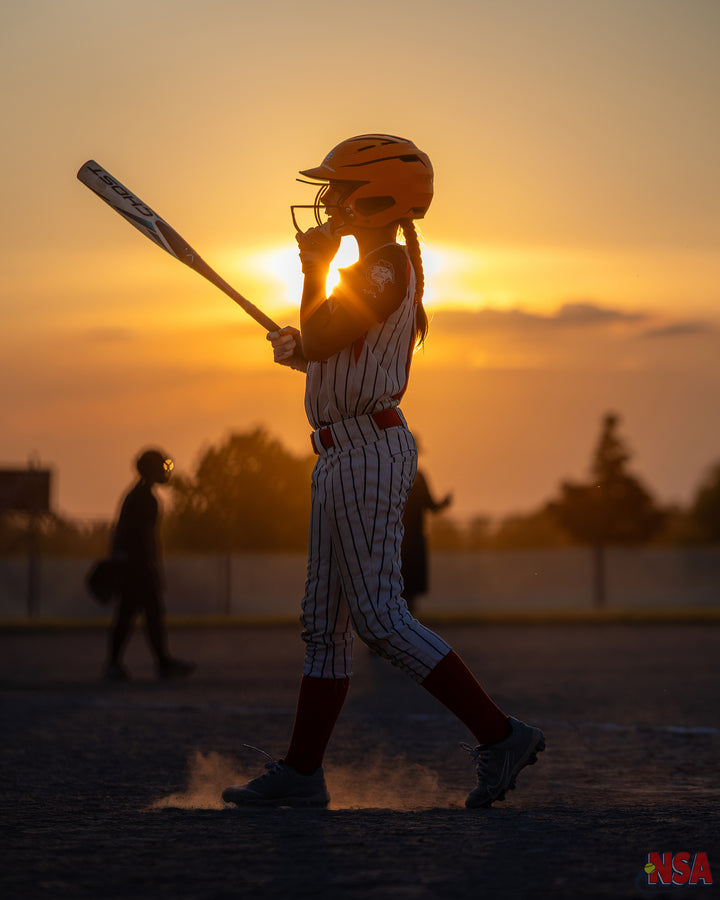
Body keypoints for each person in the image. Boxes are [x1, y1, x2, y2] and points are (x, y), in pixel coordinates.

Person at [222, 135, 544, 809]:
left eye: (340, 189)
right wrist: (300, 347)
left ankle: (501, 735)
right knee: (323, 623)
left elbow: (325, 335)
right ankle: (303, 774)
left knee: (379, 617)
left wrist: (313, 277)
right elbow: (327, 346)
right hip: (339, 451)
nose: (328, 200)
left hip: (368, 451)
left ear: (376, 198)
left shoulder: (385, 266)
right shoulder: (371, 269)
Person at [104, 448, 195, 682]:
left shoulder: (135, 494)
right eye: (161, 467)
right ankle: (155, 664)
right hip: (139, 567)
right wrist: (154, 566)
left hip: (132, 566)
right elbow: (147, 537)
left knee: (135, 614)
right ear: (151, 469)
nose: (165, 471)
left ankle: (145, 662)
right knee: (142, 614)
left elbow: (120, 532)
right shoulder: (146, 499)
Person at [401, 467, 452, 615]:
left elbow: (431, 505)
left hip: (409, 537)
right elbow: (432, 506)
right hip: (402, 538)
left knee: (410, 582)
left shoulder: (405, 474)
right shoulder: (404, 474)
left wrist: (443, 503)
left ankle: (408, 616)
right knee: (404, 580)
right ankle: (405, 616)